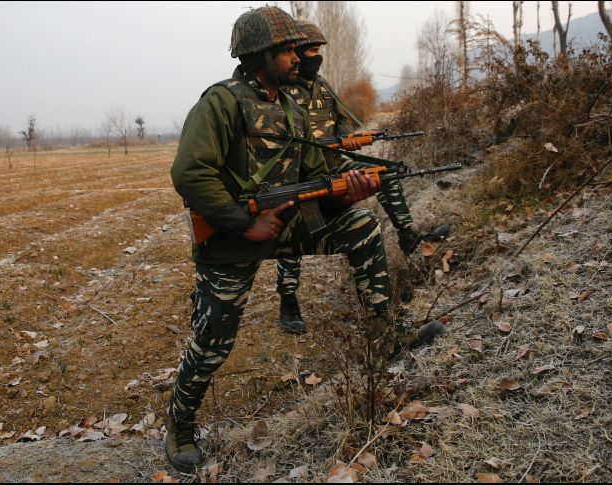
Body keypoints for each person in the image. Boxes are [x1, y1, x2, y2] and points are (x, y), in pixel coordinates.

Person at [164, 7, 444, 472]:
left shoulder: (291, 106)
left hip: (290, 222)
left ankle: (387, 334)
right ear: (261, 54)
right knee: (213, 340)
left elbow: (315, 178)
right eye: (289, 49)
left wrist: (350, 189)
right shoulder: (222, 102)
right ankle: (181, 422)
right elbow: (188, 172)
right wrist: (242, 222)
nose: (299, 57)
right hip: (235, 235)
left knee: (361, 225)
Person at [275, 20, 448, 334]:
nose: (317, 56)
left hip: (332, 164)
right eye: (311, 50)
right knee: (297, 217)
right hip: (296, 176)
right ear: (297, 53)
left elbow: (344, 124)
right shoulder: (281, 92)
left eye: (319, 50)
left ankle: (409, 239)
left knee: (382, 174)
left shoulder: (322, 87)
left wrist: (349, 139)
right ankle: (288, 297)